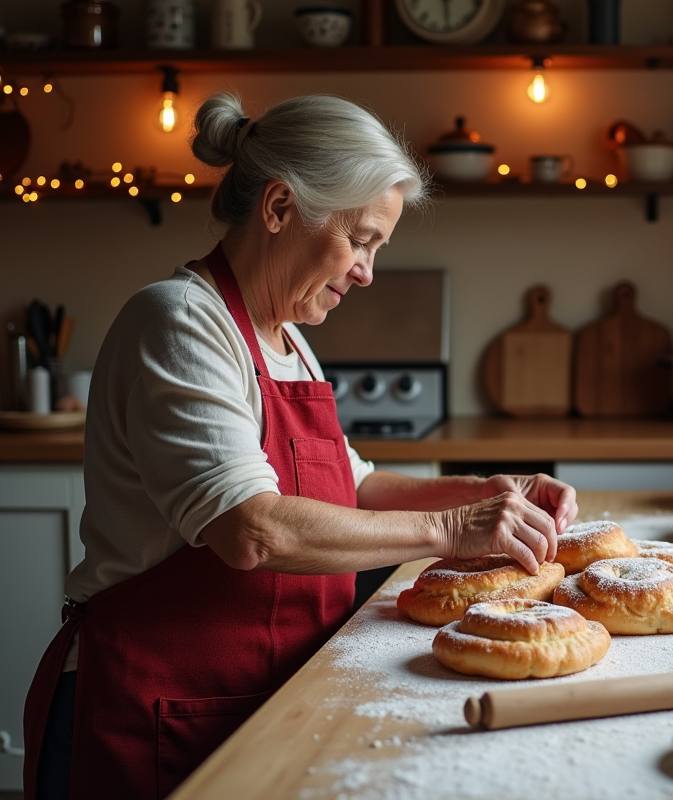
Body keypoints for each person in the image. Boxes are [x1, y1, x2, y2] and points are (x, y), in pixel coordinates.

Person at [22, 93, 577, 800]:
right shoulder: (179, 322)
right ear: (280, 208)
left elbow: (354, 487)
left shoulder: (289, 342)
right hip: (155, 710)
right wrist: (448, 530)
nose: (368, 272)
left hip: (263, 700)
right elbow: (251, 529)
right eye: (361, 239)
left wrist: (494, 491)